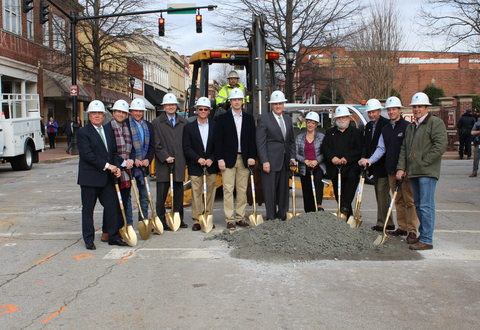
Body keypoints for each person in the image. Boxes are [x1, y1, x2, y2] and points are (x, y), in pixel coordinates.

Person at [361, 96, 419, 243]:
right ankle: (402, 227)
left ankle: (412, 230)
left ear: (400, 110)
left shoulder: (407, 126)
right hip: (391, 170)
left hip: (404, 171)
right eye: (390, 109)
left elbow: (410, 149)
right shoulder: (386, 129)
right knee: (397, 200)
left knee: (409, 201)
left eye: (394, 109)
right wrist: (370, 160)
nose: (392, 112)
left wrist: (405, 168)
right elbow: (381, 148)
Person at [396, 92, 447, 250]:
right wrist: (402, 167)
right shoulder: (412, 127)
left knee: (426, 205)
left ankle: (427, 239)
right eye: (415, 106)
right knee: (418, 204)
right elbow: (405, 149)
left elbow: (440, 145)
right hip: (414, 172)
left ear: (427, 108)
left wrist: (425, 162)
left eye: (420, 106)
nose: (417, 109)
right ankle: (423, 234)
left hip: (426, 171)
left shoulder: (435, 123)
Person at [77, 100, 128, 250]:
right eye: (94, 113)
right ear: (89, 115)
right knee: (88, 210)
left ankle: (113, 236)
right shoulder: (83, 132)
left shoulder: (108, 131)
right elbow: (88, 155)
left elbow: (112, 153)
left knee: (112, 206)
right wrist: (108, 166)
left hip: (106, 178)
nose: (97, 116)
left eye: (100, 113)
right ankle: (88, 239)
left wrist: (117, 167)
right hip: (90, 178)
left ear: (104, 115)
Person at [215, 88, 256, 230]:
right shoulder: (222, 119)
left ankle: (240, 217)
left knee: (242, 189)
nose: (237, 102)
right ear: (230, 102)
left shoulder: (249, 119)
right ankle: (230, 219)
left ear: (242, 102)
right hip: (227, 160)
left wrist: (251, 156)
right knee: (228, 189)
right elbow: (218, 141)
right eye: (234, 100)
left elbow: (252, 140)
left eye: (239, 100)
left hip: (244, 159)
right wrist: (220, 158)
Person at [256, 90, 296, 221]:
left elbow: (291, 141)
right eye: (275, 104)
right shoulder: (264, 119)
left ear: (283, 104)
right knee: (270, 191)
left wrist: (292, 157)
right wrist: (264, 161)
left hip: (285, 161)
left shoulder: (288, 120)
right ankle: (271, 218)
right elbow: (260, 142)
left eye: (280, 103)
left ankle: (283, 215)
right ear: (271, 105)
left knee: (284, 191)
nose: (278, 106)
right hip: (270, 162)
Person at [152, 93, 188, 229]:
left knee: (178, 192)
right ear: (164, 106)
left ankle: (178, 218)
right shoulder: (157, 122)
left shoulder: (183, 122)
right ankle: (161, 220)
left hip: (179, 162)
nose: (171, 107)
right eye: (168, 104)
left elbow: (186, 142)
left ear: (176, 106)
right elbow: (155, 142)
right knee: (162, 193)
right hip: (164, 163)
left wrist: (184, 160)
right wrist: (165, 156)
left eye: (173, 104)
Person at [100, 100, 135, 242]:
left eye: (123, 112)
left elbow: (131, 148)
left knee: (124, 201)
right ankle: (106, 230)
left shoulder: (127, 128)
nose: (120, 114)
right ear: (113, 113)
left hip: (126, 172)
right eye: (118, 112)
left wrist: (131, 160)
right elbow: (109, 152)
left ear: (126, 114)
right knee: (111, 202)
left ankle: (119, 228)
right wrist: (122, 162)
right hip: (113, 170)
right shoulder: (108, 128)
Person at [183, 97, 219, 231]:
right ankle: (197, 219)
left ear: (209, 111)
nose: (203, 111)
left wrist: (211, 159)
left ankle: (208, 217)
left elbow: (218, 146)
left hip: (211, 165)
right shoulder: (189, 127)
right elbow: (186, 147)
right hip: (195, 165)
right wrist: (198, 159)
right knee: (196, 193)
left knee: (210, 193)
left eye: (205, 109)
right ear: (196, 111)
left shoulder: (216, 126)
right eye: (200, 109)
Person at [358, 99, 393, 232]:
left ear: (379, 111)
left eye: (374, 112)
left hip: (383, 165)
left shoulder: (385, 124)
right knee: (380, 194)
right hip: (373, 166)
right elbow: (366, 145)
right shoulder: (368, 126)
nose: (371, 114)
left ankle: (382, 222)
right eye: (369, 112)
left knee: (382, 193)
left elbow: (383, 148)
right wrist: (363, 158)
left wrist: (371, 159)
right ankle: (388, 221)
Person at [322, 106, 363, 218]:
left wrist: (347, 158)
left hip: (351, 167)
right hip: (335, 168)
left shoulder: (356, 133)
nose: (341, 120)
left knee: (348, 191)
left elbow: (359, 149)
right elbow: (325, 147)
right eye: (339, 118)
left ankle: (345, 208)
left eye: (343, 117)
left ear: (349, 118)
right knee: (338, 193)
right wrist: (332, 157)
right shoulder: (330, 132)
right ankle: (347, 215)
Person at [128, 98, 155, 228]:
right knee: (127, 198)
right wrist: (134, 159)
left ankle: (143, 220)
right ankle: (127, 223)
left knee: (144, 196)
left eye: (140, 111)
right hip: (130, 167)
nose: (138, 113)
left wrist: (147, 160)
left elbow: (152, 146)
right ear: (131, 111)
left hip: (144, 167)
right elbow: (126, 146)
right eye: (135, 111)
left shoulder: (148, 126)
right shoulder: (126, 125)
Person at [295, 111, 326, 212]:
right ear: (305, 123)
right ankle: (308, 211)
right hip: (305, 167)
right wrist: (305, 160)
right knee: (306, 188)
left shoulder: (321, 137)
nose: (310, 125)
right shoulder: (299, 138)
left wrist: (316, 161)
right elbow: (295, 154)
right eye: (308, 122)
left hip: (318, 166)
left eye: (313, 123)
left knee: (318, 182)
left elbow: (325, 152)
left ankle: (319, 205)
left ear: (316, 125)